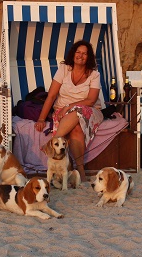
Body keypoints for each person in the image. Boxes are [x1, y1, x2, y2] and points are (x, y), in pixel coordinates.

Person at [34, 40, 104, 180]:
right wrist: (41, 118)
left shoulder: (94, 75)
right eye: (78, 52)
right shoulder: (64, 69)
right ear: (73, 54)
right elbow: (52, 95)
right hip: (63, 112)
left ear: (88, 57)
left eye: (85, 53)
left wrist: (70, 106)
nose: (81, 56)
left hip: (89, 111)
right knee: (76, 129)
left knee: (78, 110)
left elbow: (91, 100)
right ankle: (80, 171)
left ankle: (53, 142)